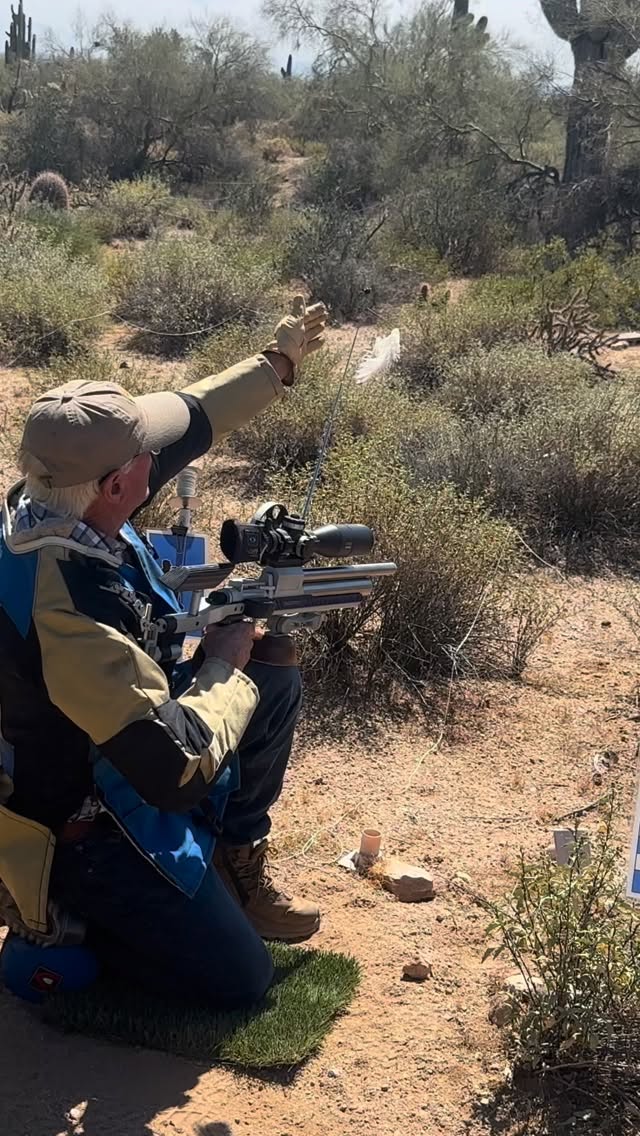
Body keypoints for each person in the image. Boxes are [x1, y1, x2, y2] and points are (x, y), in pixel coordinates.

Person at [0, 298, 327, 1008]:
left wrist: (277, 368)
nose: (163, 453)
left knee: (273, 665)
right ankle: (79, 925)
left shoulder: (57, 494)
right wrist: (220, 666)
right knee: (240, 983)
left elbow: (193, 414)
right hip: (84, 824)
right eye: (148, 455)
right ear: (121, 485)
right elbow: (171, 771)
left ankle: (235, 858)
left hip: (120, 731)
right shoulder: (64, 616)